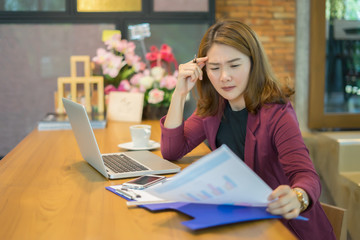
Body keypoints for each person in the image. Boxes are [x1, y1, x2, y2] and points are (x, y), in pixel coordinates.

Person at [160, 19, 335, 239]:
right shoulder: (215, 106)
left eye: (234, 65)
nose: (224, 77)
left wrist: (298, 197)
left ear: (253, 63)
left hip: (284, 227)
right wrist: (180, 93)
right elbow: (172, 150)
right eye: (215, 68)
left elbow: (306, 174)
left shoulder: (277, 112)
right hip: (242, 221)